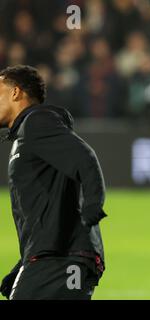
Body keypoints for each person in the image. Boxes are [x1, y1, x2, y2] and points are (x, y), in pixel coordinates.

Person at [0, 65, 106, 300]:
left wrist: (92, 206)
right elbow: (51, 208)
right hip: (64, 257)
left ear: (15, 93)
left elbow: (85, 157)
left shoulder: (37, 122)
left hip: (60, 257)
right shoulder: (29, 133)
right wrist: (21, 266)